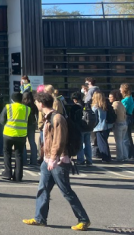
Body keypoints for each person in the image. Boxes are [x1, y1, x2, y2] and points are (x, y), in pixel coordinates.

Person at [23, 92, 90, 231]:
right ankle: (39, 218)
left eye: (36, 102)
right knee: (43, 190)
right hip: (48, 160)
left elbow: (59, 141)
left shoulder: (57, 118)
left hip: (58, 162)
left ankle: (83, 220)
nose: (35, 104)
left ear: (41, 103)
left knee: (67, 192)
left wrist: (53, 159)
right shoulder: (49, 118)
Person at [0, 92, 30, 182]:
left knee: (7, 153)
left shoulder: (8, 107)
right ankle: (18, 176)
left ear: (12, 99)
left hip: (8, 133)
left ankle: (7, 173)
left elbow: (1, 120)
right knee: (19, 155)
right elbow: (31, 121)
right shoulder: (27, 109)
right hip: (21, 135)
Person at [70, 92, 93, 166]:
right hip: (88, 127)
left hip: (80, 128)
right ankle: (89, 160)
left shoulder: (75, 107)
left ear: (75, 99)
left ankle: (81, 160)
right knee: (88, 144)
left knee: (80, 144)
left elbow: (72, 119)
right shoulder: (87, 105)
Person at [91, 91, 112, 162]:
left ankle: (105, 157)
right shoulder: (104, 106)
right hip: (106, 126)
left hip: (99, 127)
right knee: (104, 142)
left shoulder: (95, 107)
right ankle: (108, 157)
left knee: (101, 143)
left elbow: (95, 119)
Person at [110, 90, 128, 162]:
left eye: (110, 97)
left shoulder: (114, 104)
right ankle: (125, 155)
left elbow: (113, 114)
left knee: (118, 142)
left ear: (114, 97)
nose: (109, 98)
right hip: (124, 123)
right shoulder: (121, 103)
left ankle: (120, 157)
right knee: (122, 141)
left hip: (118, 124)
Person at [22, 91, 39, 166]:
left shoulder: (23, 105)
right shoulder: (33, 105)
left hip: (23, 124)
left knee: (23, 142)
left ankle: (24, 160)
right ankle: (34, 160)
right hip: (32, 124)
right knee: (32, 142)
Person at [120, 83, 133, 160]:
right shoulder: (130, 98)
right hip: (129, 116)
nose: (120, 90)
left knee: (126, 137)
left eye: (121, 88)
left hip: (126, 117)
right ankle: (131, 154)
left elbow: (123, 110)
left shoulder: (126, 100)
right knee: (128, 136)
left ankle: (129, 154)